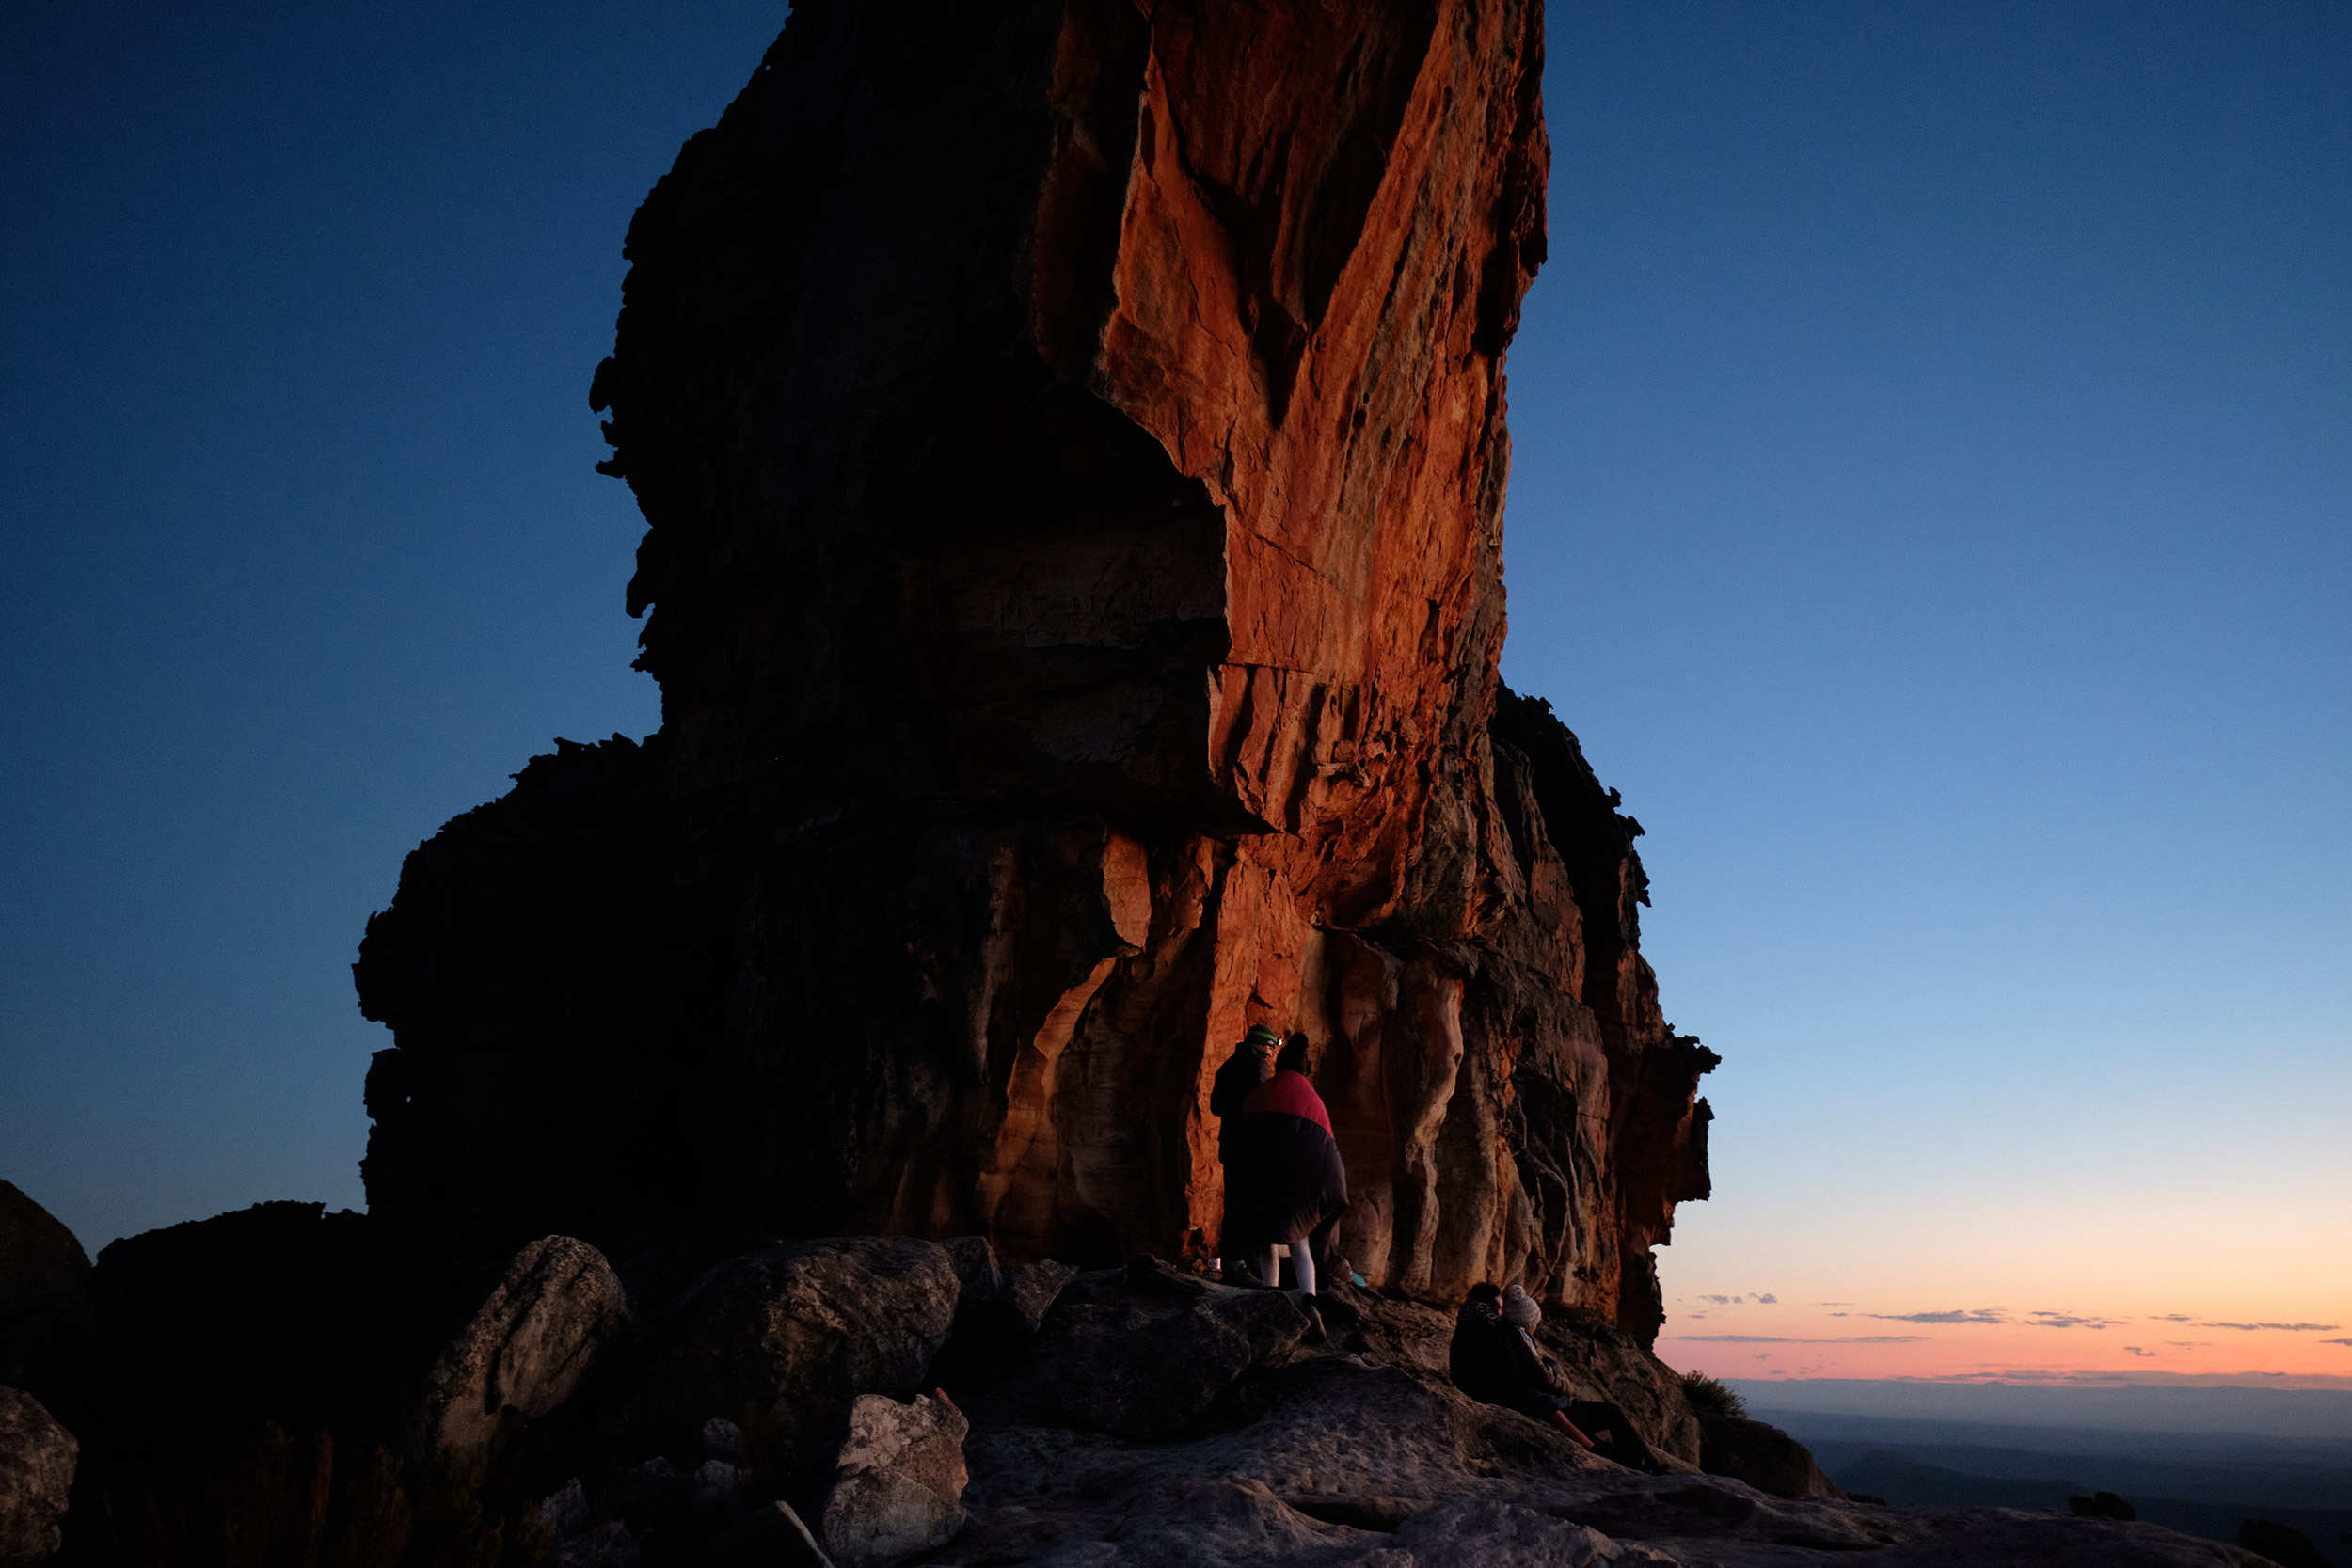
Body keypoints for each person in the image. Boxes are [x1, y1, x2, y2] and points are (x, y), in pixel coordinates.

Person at [1449, 1283, 1663, 1472]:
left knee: (1596, 1421)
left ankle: (1630, 1462)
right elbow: (1521, 1374)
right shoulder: (1493, 1332)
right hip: (1518, 1401)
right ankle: (1650, 1467)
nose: (1501, 1312)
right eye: (1499, 1306)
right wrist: (1553, 1377)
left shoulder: (1470, 1325)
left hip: (1504, 1396)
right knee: (1611, 1413)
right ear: (1488, 1307)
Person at [1226, 1033, 1348, 1333]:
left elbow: (1247, 1138)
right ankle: (1308, 1303)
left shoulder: (1262, 1093)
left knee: (1268, 1238)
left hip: (1270, 1178)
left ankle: (1272, 1297)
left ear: (1279, 1066)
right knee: (1299, 1241)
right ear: (1304, 1069)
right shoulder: (1312, 1098)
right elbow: (1326, 1148)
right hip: (1307, 1182)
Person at [1208, 1025, 1281, 1275]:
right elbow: (1263, 1108)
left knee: (1232, 1205)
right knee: (1250, 1205)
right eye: (1271, 1046)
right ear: (1260, 1044)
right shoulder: (1258, 1066)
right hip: (1250, 1147)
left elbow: (1216, 1107)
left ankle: (1231, 1261)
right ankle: (1245, 1263)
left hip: (1229, 1144)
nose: (1271, 1052)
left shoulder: (1227, 1066)